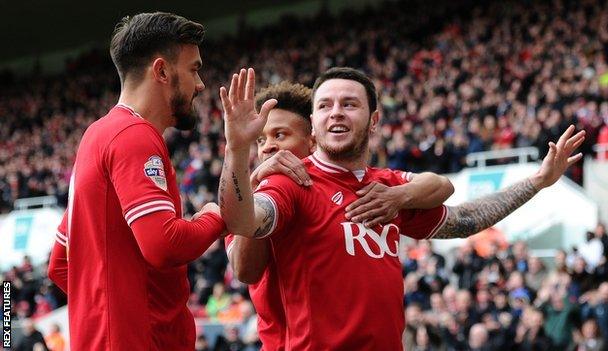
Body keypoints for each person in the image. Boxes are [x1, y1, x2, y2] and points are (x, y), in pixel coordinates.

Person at [218, 66, 585, 349]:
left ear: (374, 120)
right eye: (325, 106)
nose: (337, 113)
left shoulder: (388, 184)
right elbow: (249, 223)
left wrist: (537, 182)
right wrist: (238, 154)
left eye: (350, 104)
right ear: (314, 124)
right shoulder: (292, 182)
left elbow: (465, 219)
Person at [224, 81, 454, 350]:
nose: (268, 147)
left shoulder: (378, 183)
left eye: (280, 135)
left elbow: (443, 187)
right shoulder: (274, 189)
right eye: (261, 140)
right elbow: (245, 269)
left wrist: (399, 197)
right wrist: (242, 163)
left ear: (312, 139)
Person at [47, 12, 225, 350]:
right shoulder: (133, 136)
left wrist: (110, 309)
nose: (200, 84)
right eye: (194, 69)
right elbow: (164, 244)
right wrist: (214, 216)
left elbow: (60, 264)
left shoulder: (96, 136)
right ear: (161, 71)